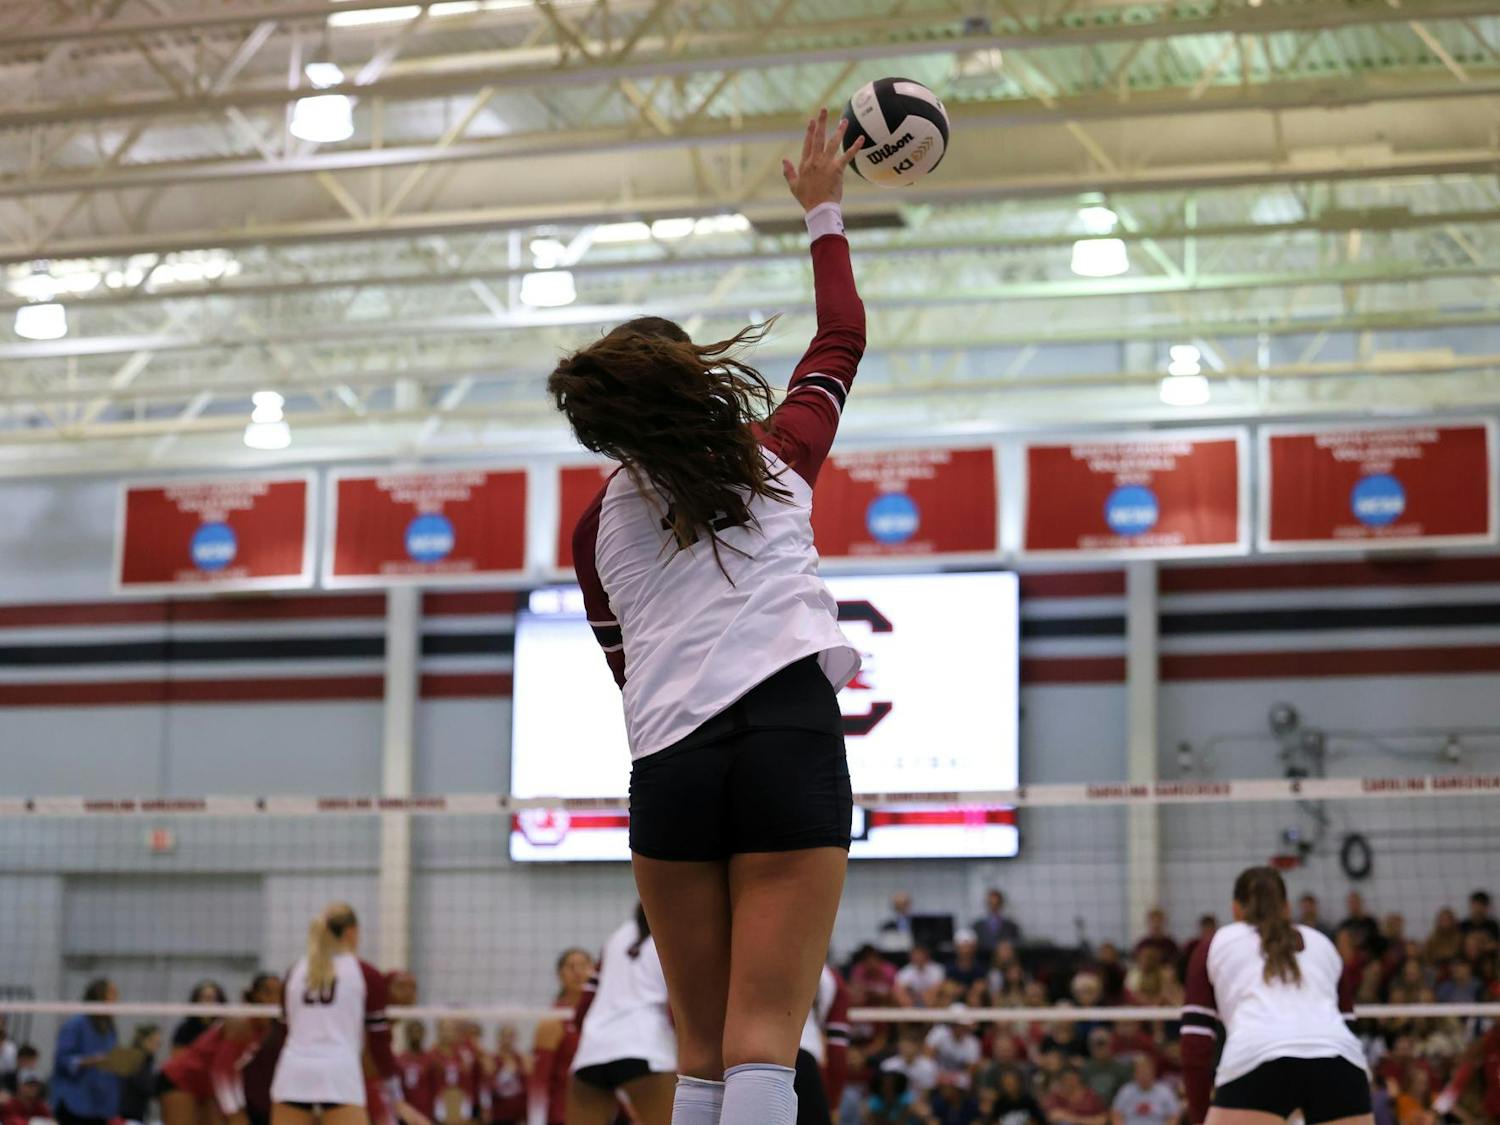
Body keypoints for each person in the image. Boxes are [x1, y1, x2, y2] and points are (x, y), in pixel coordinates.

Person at [554, 109, 866, 1125]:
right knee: (765, 1038)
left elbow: (628, 671)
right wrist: (821, 207)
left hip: (671, 762)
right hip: (784, 732)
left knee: (697, 1052)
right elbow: (841, 336)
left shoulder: (592, 530)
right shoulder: (773, 451)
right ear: (693, 383)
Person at [1181, 865, 1372, 1125]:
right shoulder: (1323, 943)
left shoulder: (1215, 943)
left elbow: (1195, 1042)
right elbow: (1348, 1026)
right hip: (1339, 1062)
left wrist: (1199, 1117)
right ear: (1287, 908)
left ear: (1235, 908)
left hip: (1258, 1060)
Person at [269, 902, 400, 1125]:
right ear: (351, 932)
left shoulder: (294, 972)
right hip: (339, 1075)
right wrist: (395, 1090)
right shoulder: (365, 974)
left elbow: (281, 1032)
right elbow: (379, 1041)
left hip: (294, 1074)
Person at [567, 905, 676, 1125]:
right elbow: (683, 1004)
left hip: (591, 1052)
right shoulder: (678, 932)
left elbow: (584, 1006)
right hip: (645, 1048)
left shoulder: (616, 938)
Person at [162, 973, 284, 1125]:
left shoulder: (269, 1026)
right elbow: (221, 1071)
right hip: (182, 1078)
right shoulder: (241, 1021)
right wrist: (234, 1112)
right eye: (271, 991)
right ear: (258, 996)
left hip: (208, 1085)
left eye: (281, 990)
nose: (278, 996)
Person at [532, 948, 593, 1125]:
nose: (578, 971)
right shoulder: (553, 1021)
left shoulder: (601, 1017)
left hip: (600, 1113)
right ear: (560, 975)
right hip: (563, 1116)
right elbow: (539, 1081)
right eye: (571, 966)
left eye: (583, 965)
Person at [51, 978, 120, 1125]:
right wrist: (93, 1060)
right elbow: (62, 1060)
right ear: (99, 996)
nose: (116, 999)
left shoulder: (110, 1028)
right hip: (75, 1103)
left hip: (100, 1105)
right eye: (112, 994)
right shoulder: (76, 1024)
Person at [794, 964, 849, 1125]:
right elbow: (837, 1048)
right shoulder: (831, 978)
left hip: (746, 1063)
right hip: (807, 1059)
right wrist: (834, 1104)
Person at [1108, 1056, 1178, 1125]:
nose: (1144, 1076)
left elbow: (1174, 1116)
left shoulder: (1165, 1091)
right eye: (1140, 1072)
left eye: (1146, 1073)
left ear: (1153, 1073)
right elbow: (1116, 1115)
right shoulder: (1125, 1091)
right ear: (1135, 1074)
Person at [119, 1025, 162, 1125]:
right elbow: (146, 1085)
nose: (157, 1046)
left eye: (158, 1043)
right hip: (128, 1114)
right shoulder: (136, 1059)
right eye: (155, 1042)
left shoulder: (147, 1059)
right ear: (144, 1041)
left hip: (137, 1112)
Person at [174, 983, 229, 1057]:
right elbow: (178, 1058)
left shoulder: (225, 1030)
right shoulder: (184, 1030)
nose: (207, 1002)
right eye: (204, 997)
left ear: (219, 1002)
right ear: (196, 1000)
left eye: (211, 998)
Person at [487, 1027, 527, 1125]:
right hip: (498, 1113)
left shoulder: (522, 1059)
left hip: (517, 1113)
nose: (507, 1040)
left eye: (510, 1036)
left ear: (515, 1038)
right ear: (499, 1038)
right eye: (504, 1036)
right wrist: (505, 1073)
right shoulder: (491, 1060)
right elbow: (489, 1087)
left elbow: (526, 1087)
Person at [974, 890, 1023, 955]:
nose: (994, 907)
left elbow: (1016, 944)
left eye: (997, 904)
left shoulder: (1012, 927)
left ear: (1001, 904)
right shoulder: (977, 926)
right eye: (991, 903)